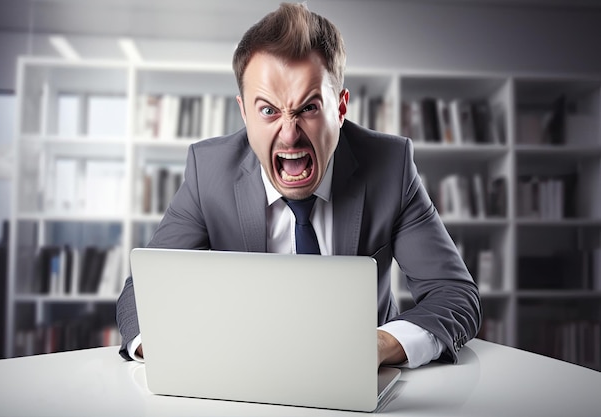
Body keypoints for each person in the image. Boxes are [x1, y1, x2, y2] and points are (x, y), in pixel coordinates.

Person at [116, 2, 482, 368]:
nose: (289, 135)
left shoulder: (390, 165)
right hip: (244, 378)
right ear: (244, 113)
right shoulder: (208, 171)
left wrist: (380, 345)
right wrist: (171, 348)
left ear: (340, 108)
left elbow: (455, 294)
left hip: (357, 380)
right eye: (268, 111)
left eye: (308, 108)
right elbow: (144, 293)